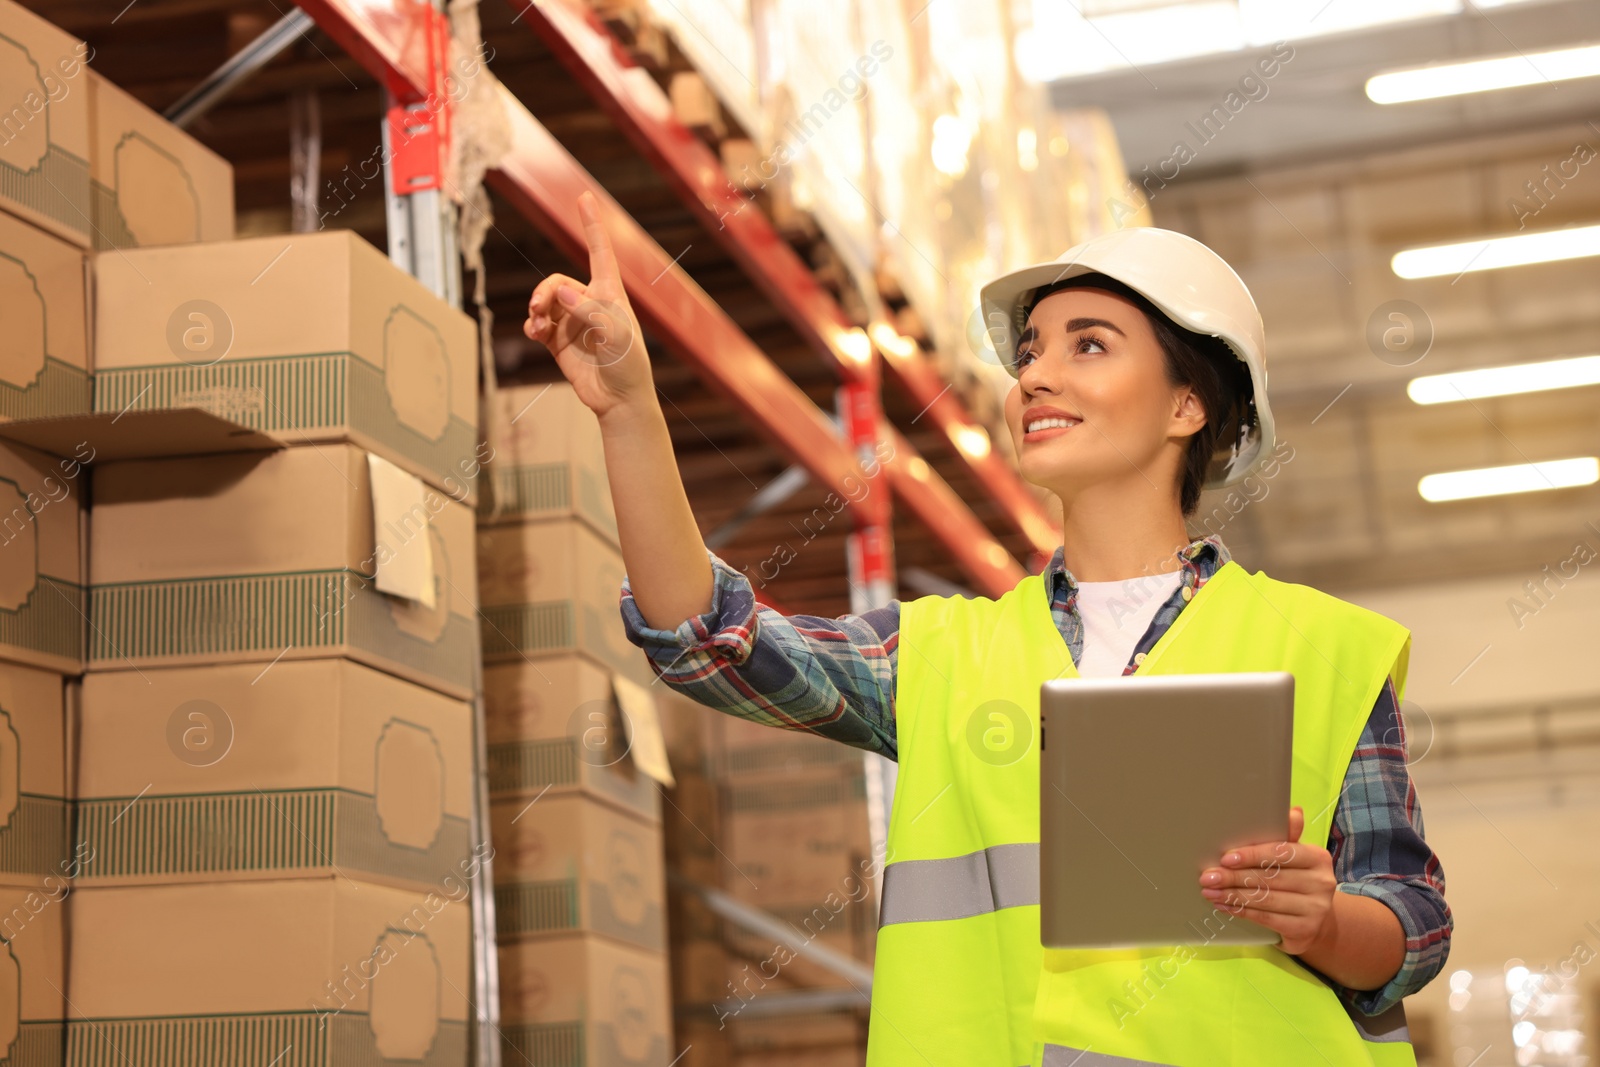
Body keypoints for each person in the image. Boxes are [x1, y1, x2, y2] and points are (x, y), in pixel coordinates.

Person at [524, 190, 1452, 1067]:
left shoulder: (1325, 650)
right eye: (1032, 352)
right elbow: (709, 641)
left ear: (1187, 404)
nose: (1035, 375)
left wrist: (1323, 921)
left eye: (1089, 345)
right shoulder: (941, 655)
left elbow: (1411, 925)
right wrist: (632, 411)